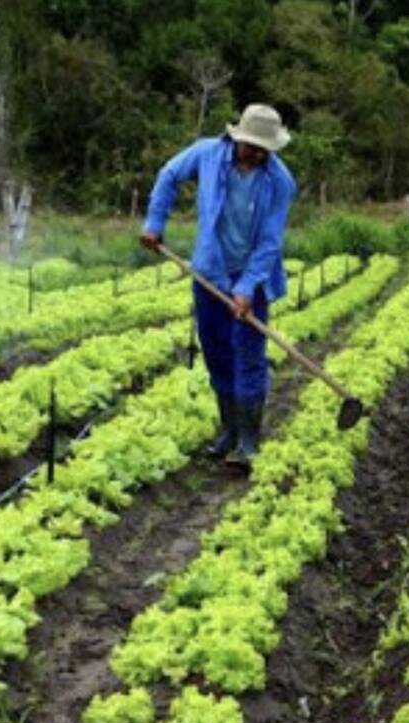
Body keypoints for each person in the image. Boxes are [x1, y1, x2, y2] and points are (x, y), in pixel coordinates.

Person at [140, 104, 297, 469]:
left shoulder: (280, 181)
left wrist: (245, 287)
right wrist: (155, 221)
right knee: (216, 352)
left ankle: (248, 440)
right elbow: (168, 175)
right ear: (238, 138)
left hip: (252, 280)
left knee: (249, 357)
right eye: (253, 146)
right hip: (209, 273)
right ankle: (228, 430)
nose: (259, 154)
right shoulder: (207, 154)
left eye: (265, 149)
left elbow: (270, 242)